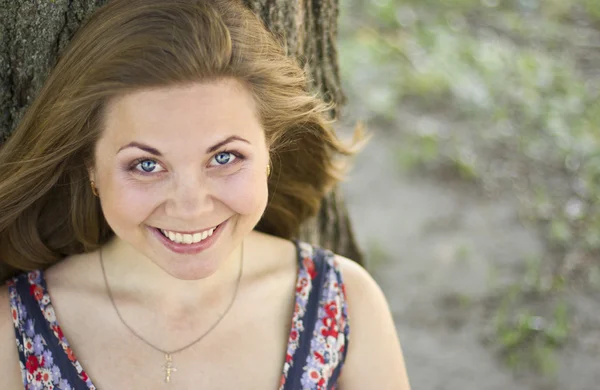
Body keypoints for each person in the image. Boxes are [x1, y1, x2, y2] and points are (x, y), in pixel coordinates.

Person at [0, 0, 410, 389]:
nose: (192, 206)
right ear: (91, 167)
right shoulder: (13, 327)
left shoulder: (344, 303)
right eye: (146, 165)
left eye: (225, 156)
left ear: (270, 150)